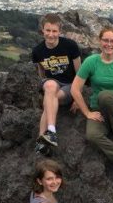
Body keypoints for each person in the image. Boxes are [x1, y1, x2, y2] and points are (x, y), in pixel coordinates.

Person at [71, 26, 113, 182]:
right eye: (105, 40)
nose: (109, 44)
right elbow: (75, 89)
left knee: (105, 95)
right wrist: (87, 113)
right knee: (92, 135)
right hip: (99, 110)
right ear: (99, 41)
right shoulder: (91, 62)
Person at [32, 13, 81, 151]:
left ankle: (41, 139)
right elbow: (42, 74)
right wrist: (44, 89)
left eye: (54, 31)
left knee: (49, 99)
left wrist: (78, 98)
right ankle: (51, 132)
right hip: (51, 84)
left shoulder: (70, 46)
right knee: (49, 85)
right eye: (48, 30)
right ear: (42, 30)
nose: (51, 34)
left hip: (69, 87)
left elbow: (80, 74)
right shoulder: (37, 51)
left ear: (60, 31)